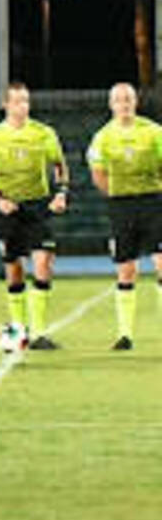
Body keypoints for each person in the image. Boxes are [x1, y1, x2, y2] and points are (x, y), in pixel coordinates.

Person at [0, 82, 68, 350]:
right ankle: (18, 331)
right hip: (9, 208)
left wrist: (61, 193)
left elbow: (60, 166)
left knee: (43, 264)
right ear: (5, 104)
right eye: (16, 101)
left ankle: (38, 332)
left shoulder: (44, 133)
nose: (22, 106)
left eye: (25, 101)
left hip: (39, 207)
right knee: (14, 271)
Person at [86, 82, 162, 351]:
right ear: (111, 104)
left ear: (136, 102)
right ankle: (125, 335)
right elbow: (97, 173)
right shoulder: (103, 137)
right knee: (126, 269)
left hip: (154, 202)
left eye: (128, 98)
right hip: (121, 205)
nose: (124, 103)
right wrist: (116, 195)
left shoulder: (154, 132)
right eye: (119, 99)